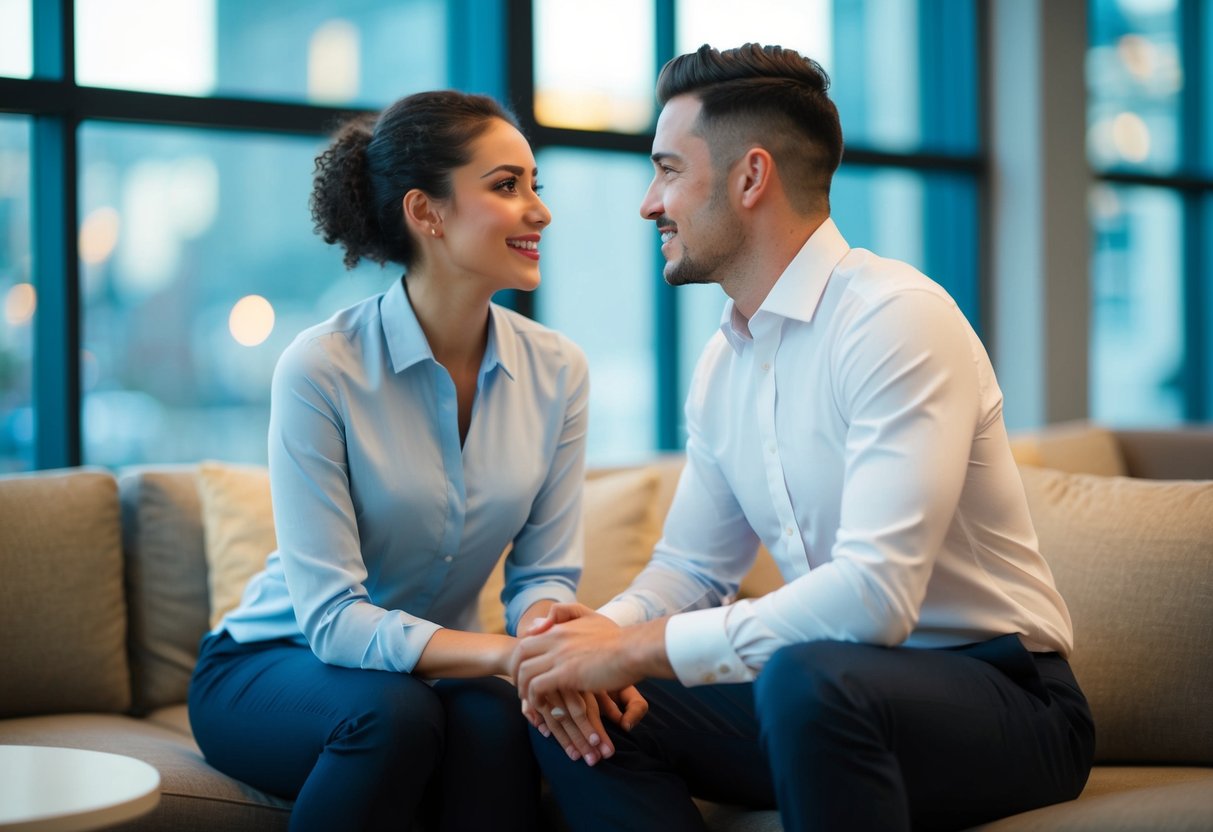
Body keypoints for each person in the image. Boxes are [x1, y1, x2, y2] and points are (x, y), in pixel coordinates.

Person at [512, 44, 1095, 832]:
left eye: (668, 170)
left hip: (1007, 703)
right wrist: (594, 640)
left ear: (750, 178)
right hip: (837, 691)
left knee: (805, 679)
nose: (650, 202)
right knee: (566, 705)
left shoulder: (896, 318)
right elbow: (689, 567)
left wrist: (638, 649)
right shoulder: (724, 362)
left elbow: (874, 598)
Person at [187, 90, 626, 832]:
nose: (538, 210)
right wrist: (500, 655)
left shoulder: (559, 371)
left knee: (496, 723)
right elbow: (331, 621)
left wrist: (551, 644)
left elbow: (542, 574)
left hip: (435, 676)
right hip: (271, 663)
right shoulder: (321, 367)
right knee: (394, 716)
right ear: (427, 212)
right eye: (505, 186)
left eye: (534, 185)